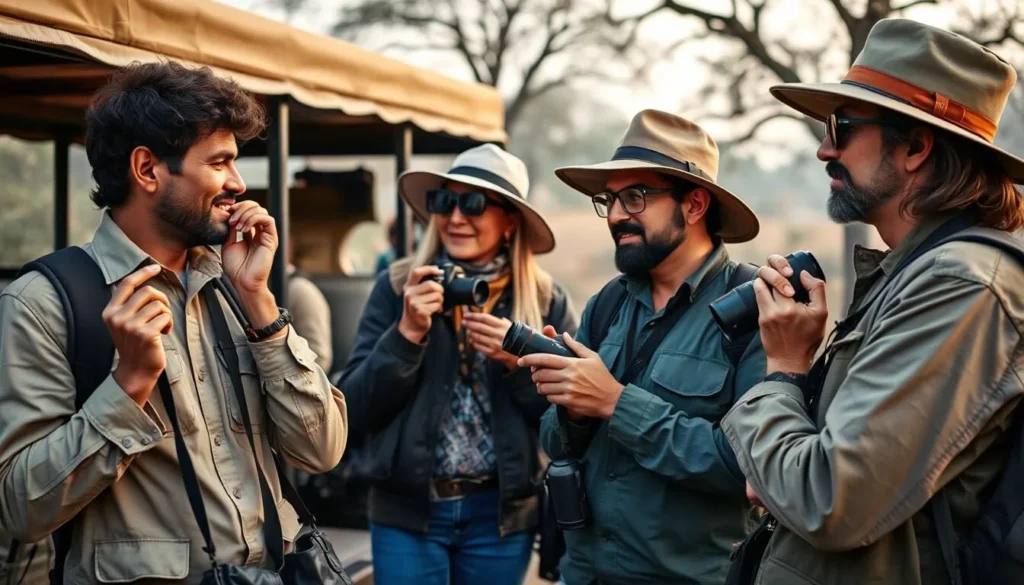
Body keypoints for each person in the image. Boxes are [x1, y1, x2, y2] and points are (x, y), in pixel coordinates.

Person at [0, 62, 348, 584]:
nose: (237, 183)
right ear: (147, 169)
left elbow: (322, 451)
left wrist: (260, 304)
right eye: (219, 162)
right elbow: (22, 509)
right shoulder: (43, 303)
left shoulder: (238, 289)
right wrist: (128, 386)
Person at [721, 18, 1024, 585]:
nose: (824, 149)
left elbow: (830, 498)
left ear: (916, 147)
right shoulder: (914, 272)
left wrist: (783, 370)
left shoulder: (961, 285)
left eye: (842, 126)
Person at [520, 109, 768, 585]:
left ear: (694, 205)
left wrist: (615, 403)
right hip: (584, 574)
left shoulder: (756, 311)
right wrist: (572, 407)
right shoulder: (607, 303)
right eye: (609, 200)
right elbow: (553, 442)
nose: (616, 216)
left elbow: (751, 470)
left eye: (635, 197)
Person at [339, 143, 577, 585]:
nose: (455, 217)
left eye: (473, 204)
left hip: (500, 515)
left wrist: (517, 367)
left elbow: (571, 423)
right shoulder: (399, 286)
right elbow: (352, 410)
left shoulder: (545, 298)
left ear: (510, 221)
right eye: (443, 201)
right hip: (407, 513)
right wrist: (407, 334)